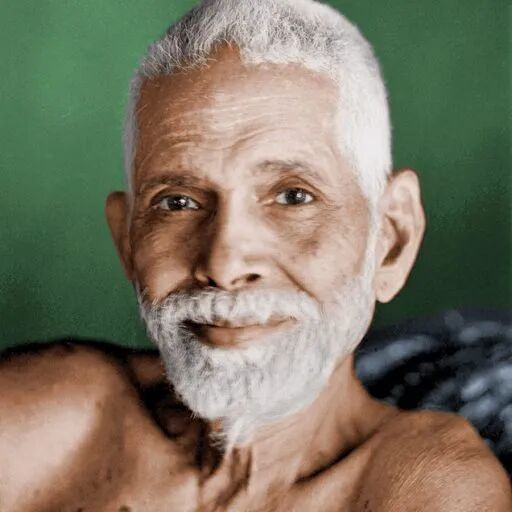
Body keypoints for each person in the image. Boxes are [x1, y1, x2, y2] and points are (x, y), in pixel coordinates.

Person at [1, 0, 510, 510]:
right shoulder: (47, 421)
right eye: (177, 203)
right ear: (127, 241)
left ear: (392, 240)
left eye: (293, 196)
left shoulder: (427, 489)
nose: (224, 267)